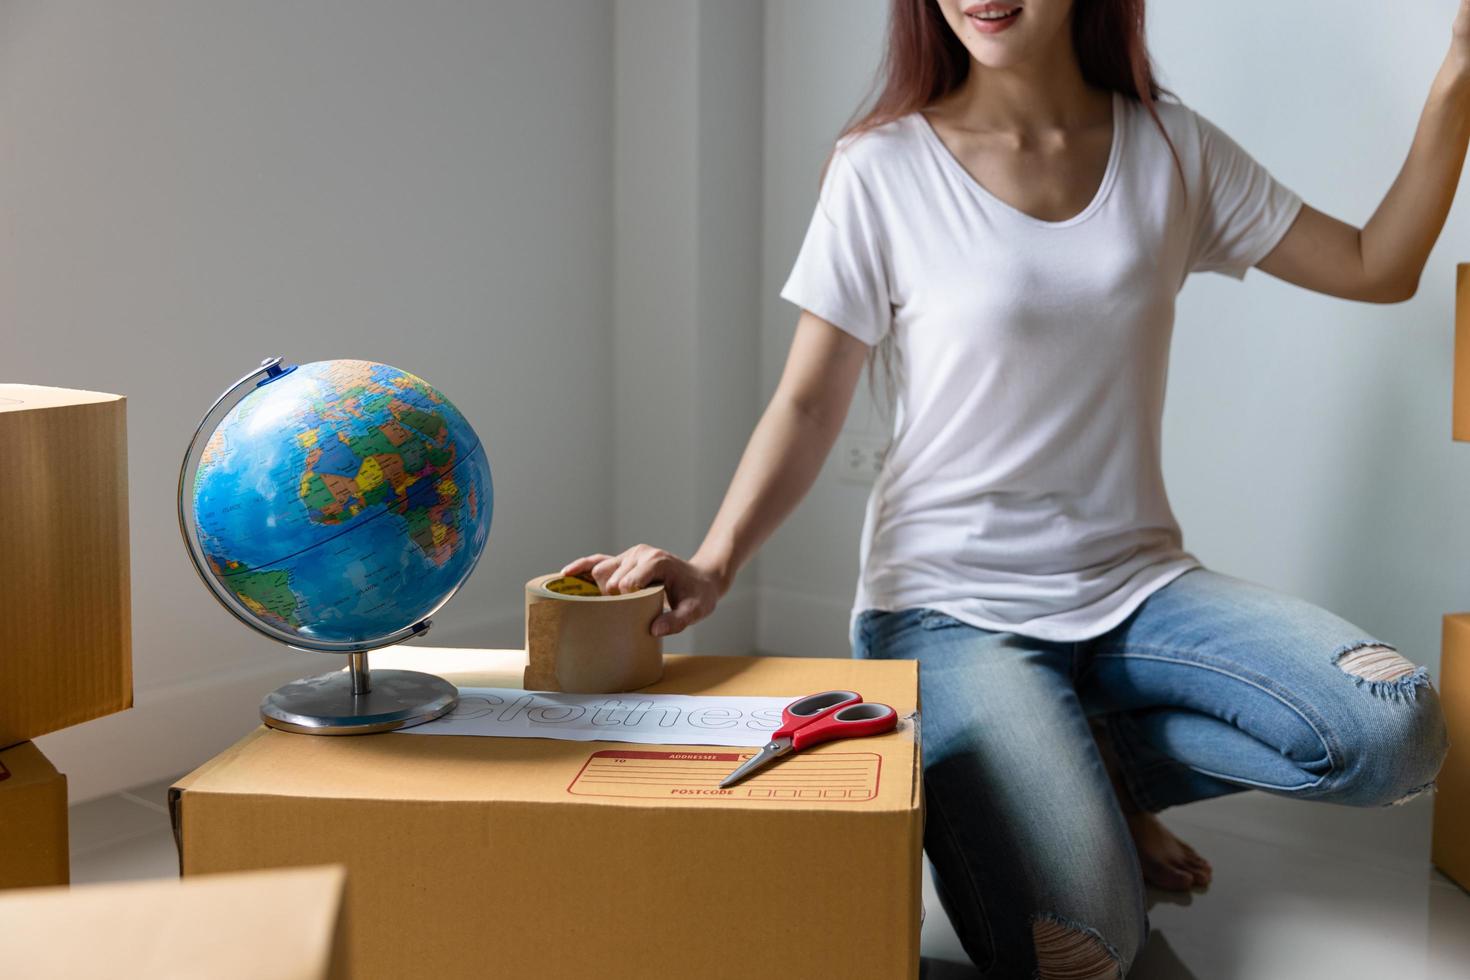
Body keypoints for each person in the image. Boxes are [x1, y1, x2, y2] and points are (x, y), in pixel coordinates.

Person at [562, 0, 1467, 975]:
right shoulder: (883, 165)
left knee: (1396, 725)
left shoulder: (1171, 147)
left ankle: (1077, 769)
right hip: (947, 612)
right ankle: (1004, 765)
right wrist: (716, 559)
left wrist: (1458, 68)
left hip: (1140, 590)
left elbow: (1380, 265)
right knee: (1089, 953)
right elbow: (809, 403)